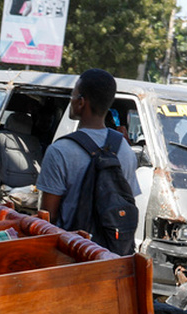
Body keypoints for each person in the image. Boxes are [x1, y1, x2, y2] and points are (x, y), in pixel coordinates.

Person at [38, 68, 140, 230]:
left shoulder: (59, 151)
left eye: (73, 95)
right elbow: (126, 203)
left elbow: (48, 216)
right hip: (111, 251)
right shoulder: (125, 150)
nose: (71, 100)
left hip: (72, 248)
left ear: (81, 102)